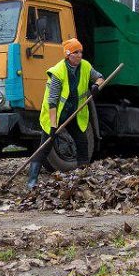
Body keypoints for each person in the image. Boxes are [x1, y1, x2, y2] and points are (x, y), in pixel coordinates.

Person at [27, 38, 103, 190]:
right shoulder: (58, 72)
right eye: (76, 52)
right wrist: (54, 126)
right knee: (45, 146)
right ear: (68, 54)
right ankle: (32, 180)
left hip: (74, 113)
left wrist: (96, 86)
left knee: (82, 142)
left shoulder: (86, 66)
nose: (80, 55)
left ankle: (83, 176)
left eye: (81, 52)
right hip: (55, 114)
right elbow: (53, 101)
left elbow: (100, 77)